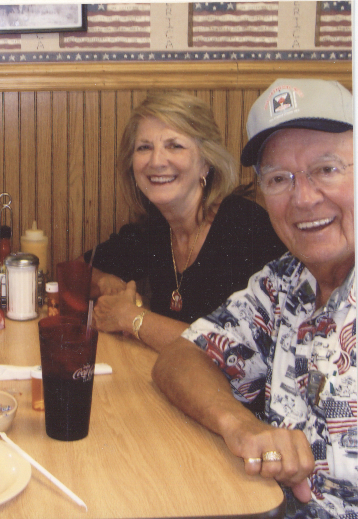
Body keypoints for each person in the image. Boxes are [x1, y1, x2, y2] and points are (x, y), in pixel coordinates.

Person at [152, 78, 355, 518]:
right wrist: (241, 426)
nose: (303, 198)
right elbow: (181, 357)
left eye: (327, 169)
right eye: (280, 179)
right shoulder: (285, 281)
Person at [84, 91, 286, 352]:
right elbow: (78, 270)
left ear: (206, 162)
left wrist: (132, 318)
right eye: (144, 147)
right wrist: (106, 282)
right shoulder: (157, 227)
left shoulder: (246, 228)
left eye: (175, 146)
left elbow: (235, 349)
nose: (156, 161)